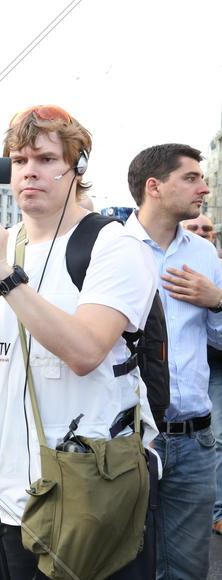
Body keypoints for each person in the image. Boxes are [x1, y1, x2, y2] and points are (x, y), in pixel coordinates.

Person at [0, 105, 159, 578]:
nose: (29, 171)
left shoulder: (114, 246)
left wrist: (2, 273)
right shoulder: (0, 244)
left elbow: (85, 351)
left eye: (45, 159)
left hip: (86, 487)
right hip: (4, 486)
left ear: (77, 168)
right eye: (19, 161)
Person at [126, 145, 222, 579]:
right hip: (129, 440)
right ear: (155, 186)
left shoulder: (203, 255)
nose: (204, 188)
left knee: (187, 569)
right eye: (191, 178)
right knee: (122, 561)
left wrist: (217, 301)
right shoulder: (113, 249)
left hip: (194, 441)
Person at [181, 213, 222, 536]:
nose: (201, 233)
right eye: (193, 228)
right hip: (185, 373)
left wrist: (216, 300)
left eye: (206, 229)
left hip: (216, 365)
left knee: (217, 437)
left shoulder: (216, 267)